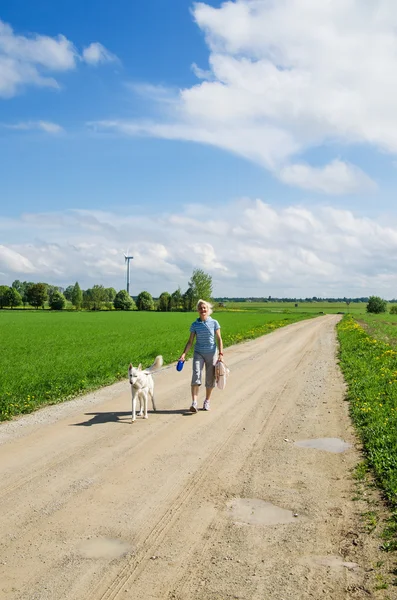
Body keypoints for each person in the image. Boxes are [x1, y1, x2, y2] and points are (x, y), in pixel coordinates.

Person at [179, 299, 224, 413]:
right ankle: (194, 403)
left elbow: (219, 338)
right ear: (198, 310)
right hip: (198, 353)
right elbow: (190, 342)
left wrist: (220, 354)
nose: (202, 310)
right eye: (200, 308)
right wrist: (184, 354)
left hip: (212, 353)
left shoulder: (214, 323)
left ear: (208, 310)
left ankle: (207, 401)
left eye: (204, 308)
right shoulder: (195, 325)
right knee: (196, 375)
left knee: (210, 378)